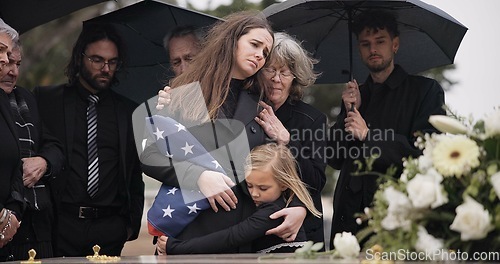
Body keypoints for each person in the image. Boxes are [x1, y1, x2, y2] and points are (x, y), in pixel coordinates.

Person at [138, 11, 307, 253]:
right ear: (232, 40)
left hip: (238, 238)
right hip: (187, 232)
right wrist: (198, 176)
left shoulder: (261, 104)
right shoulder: (180, 94)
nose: (260, 55)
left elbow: (276, 169)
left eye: (265, 52)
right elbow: (149, 156)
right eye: (255, 44)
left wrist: (299, 206)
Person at [327, 9, 445, 248]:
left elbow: (426, 153)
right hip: (348, 220)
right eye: (365, 44)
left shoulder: (425, 91)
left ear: (395, 45)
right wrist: (348, 112)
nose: (373, 49)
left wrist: (369, 136)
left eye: (380, 41)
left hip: (396, 215)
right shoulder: (355, 95)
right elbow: (335, 157)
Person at [33, 24, 145, 257]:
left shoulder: (128, 111)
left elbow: (134, 173)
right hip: (60, 226)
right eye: (97, 60)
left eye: (112, 62)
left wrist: (129, 226)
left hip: (110, 229)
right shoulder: (46, 101)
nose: (105, 68)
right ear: (79, 58)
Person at [156, 143, 321, 254]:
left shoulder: (275, 213)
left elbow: (232, 237)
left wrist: (175, 246)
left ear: (284, 184)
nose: (254, 193)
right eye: (250, 186)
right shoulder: (269, 202)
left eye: (263, 188)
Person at [253, 32, 327, 246]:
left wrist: (287, 141)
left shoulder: (312, 119)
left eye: (284, 72)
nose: (276, 79)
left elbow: (316, 181)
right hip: (254, 230)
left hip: (301, 233)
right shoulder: (247, 112)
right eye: (270, 70)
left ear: (295, 76)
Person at [1, 41, 64, 260]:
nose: (13, 71)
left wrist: (44, 162)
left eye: (18, 64)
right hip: (6, 220)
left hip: (38, 224)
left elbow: (53, 145)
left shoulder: (26, 98)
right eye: (8, 62)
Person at [0, 18, 23, 262]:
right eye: (1, 50)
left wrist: (11, 214)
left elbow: (16, 161)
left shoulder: (4, 102)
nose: (7, 61)